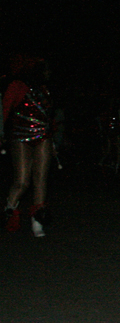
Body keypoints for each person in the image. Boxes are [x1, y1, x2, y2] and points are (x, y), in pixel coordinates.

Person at [2, 56, 54, 237]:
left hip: (43, 136)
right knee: (22, 181)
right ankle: (11, 211)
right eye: (46, 70)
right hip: (21, 136)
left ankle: (37, 220)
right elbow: (5, 110)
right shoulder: (17, 85)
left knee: (40, 178)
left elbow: (48, 116)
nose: (49, 73)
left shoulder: (44, 89)